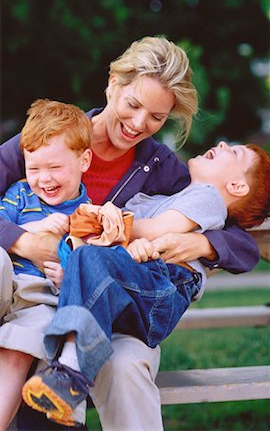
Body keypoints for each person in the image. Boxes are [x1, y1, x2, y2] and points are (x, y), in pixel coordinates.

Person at [0, 36, 259, 431]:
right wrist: (24, 241)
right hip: (24, 290)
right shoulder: (51, 136)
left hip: (96, 303)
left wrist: (203, 242)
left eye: (156, 117)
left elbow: (241, 235)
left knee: (122, 361)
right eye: (133, 105)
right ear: (112, 85)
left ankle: (67, 374)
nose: (140, 124)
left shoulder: (162, 168)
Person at [21, 140, 270, 427]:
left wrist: (102, 218)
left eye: (235, 152)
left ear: (237, 187)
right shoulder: (159, 198)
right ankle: (66, 379)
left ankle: (71, 369)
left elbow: (154, 231)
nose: (224, 143)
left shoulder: (208, 197)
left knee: (89, 258)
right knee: (86, 259)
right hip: (132, 294)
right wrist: (83, 272)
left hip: (161, 287)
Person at [0, 98, 93, 430]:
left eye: (54, 168)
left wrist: (67, 276)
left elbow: (91, 264)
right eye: (34, 168)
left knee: (22, 350)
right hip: (5, 283)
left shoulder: (88, 213)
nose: (43, 179)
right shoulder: (19, 194)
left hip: (39, 298)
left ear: (85, 160)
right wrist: (30, 230)